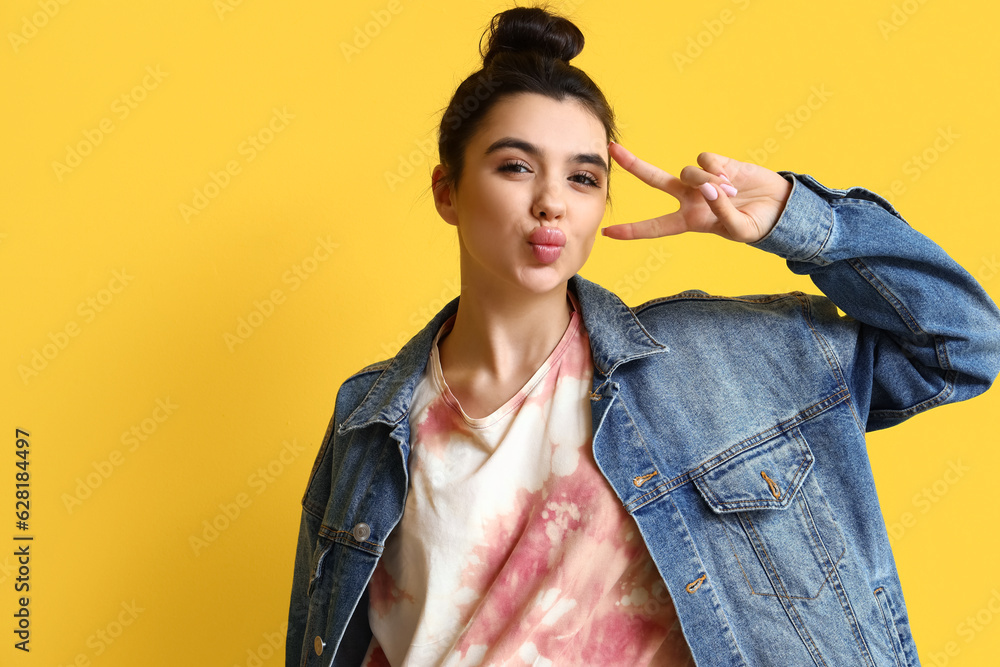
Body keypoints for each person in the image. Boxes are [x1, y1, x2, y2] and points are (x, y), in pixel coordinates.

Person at [285, 6, 1000, 666]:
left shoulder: (714, 362)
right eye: (515, 166)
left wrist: (794, 216)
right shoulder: (368, 421)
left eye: (584, 177)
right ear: (447, 189)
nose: (551, 202)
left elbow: (962, 343)